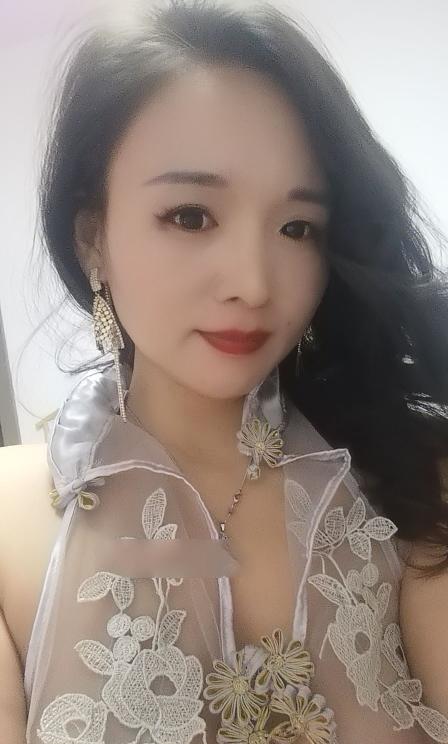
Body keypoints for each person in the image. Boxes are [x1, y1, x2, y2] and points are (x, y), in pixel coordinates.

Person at [1, 0, 448, 741]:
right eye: (190, 216)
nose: (254, 283)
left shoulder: (412, 479)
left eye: (297, 227)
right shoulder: (7, 521)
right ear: (91, 239)